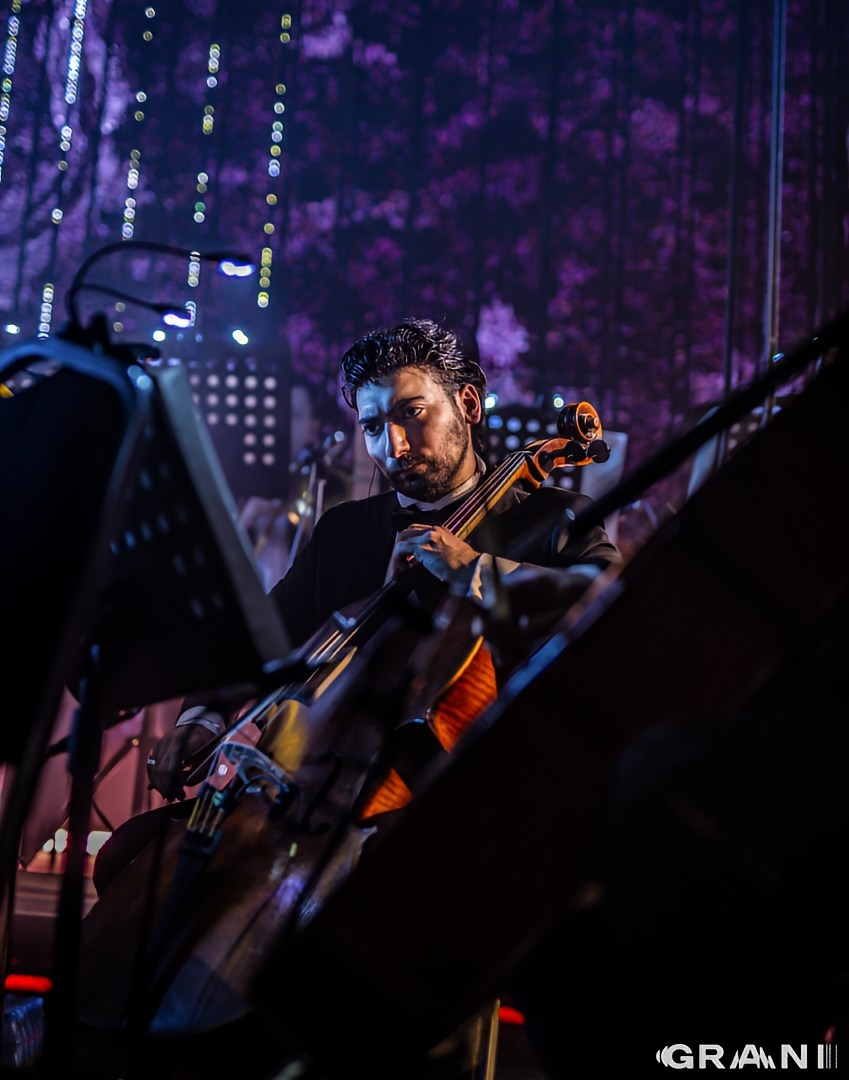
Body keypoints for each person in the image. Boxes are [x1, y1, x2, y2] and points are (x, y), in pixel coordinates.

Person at [145, 317, 621, 804]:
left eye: (411, 413)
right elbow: (262, 641)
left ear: (469, 404)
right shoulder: (343, 531)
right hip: (318, 798)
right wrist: (200, 719)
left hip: (478, 793)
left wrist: (474, 569)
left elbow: (613, 604)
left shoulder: (556, 516)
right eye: (373, 427)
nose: (392, 447)